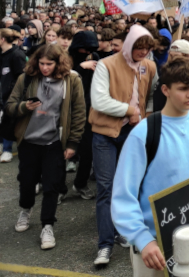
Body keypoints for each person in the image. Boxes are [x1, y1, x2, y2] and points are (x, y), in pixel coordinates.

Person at [111, 57, 189, 277]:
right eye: (183, 89)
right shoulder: (144, 133)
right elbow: (123, 195)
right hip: (156, 244)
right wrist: (142, 239)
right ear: (165, 90)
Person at [89, 25, 158, 266]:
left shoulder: (149, 66)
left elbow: (149, 94)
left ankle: (126, 232)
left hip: (134, 132)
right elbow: (98, 101)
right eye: (139, 47)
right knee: (107, 188)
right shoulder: (106, 65)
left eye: (147, 48)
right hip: (105, 133)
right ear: (129, 44)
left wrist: (146, 114)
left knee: (130, 186)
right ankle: (105, 245)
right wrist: (130, 110)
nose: (143, 52)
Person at [6, 44, 85, 249]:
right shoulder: (27, 78)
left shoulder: (72, 80)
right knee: (26, 181)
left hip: (54, 143)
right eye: (41, 63)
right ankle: (25, 209)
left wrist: (73, 143)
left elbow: (78, 113)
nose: (44, 68)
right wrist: (25, 106)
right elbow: (10, 105)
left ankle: (47, 225)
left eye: (49, 64)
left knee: (52, 185)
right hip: (29, 141)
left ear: (59, 63)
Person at [67, 31, 100, 199]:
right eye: (84, 49)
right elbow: (61, 78)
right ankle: (57, 188)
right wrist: (79, 68)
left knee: (87, 152)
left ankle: (80, 183)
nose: (87, 53)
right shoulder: (67, 58)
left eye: (90, 50)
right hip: (67, 111)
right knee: (62, 152)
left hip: (87, 111)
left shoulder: (94, 56)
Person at [1, 28, 26, 163]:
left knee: (8, 122)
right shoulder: (2, 54)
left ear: (2, 39)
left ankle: (7, 150)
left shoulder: (16, 55)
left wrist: (13, 93)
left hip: (10, 96)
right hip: (2, 93)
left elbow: (21, 77)